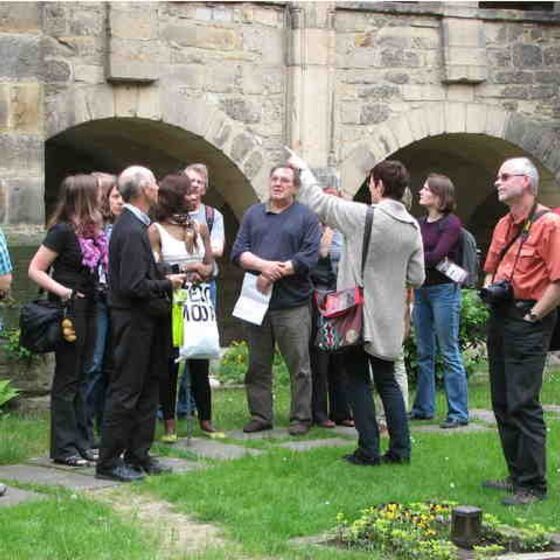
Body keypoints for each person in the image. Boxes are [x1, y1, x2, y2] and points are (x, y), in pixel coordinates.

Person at [288, 153, 425, 465]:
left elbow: (319, 202)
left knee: (358, 379)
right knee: (387, 381)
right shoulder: (411, 226)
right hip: (389, 315)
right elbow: (417, 277)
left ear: (378, 185)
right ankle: (400, 450)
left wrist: (302, 168)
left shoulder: (363, 216)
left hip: (357, 313)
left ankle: (368, 450)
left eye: (372, 183)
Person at [96, 166, 185, 482]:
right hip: (133, 321)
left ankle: (138, 454)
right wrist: (168, 282)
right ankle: (109, 462)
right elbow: (132, 285)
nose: (158, 187)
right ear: (145, 189)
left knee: (149, 387)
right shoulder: (131, 229)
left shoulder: (137, 224)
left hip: (147, 321)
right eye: (154, 183)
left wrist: (161, 274)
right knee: (126, 390)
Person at [481, 157, 560, 506]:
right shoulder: (503, 224)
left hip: (528, 318)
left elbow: (558, 280)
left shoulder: (550, 225)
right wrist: (490, 287)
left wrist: (534, 316)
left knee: (523, 402)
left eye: (504, 176)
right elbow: (490, 267)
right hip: (501, 316)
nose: (497, 182)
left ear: (526, 182)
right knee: (501, 400)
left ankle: (533, 486)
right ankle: (516, 475)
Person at [231, 165, 321, 436]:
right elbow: (238, 252)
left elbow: (308, 257)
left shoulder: (306, 217)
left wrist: (273, 274)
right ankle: (260, 416)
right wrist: (266, 268)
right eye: (274, 179)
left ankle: (301, 417)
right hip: (256, 301)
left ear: (295, 187)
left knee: (299, 365)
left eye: (285, 180)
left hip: (293, 304)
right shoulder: (253, 214)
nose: (278, 184)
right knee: (257, 365)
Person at [28, 175, 105, 467]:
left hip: (91, 306)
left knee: (85, 375)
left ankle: (83, 442)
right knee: (68, 378)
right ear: (85, 196)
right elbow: (35, 269)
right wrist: (64, 292)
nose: (102, 196)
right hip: (69, 311)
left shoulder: (91, 232)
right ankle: (63, 447)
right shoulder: (61, 231)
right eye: (98, 192)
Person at [148, 173, 215, 441]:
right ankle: (169, 422)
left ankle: (206, 419)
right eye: (188, 192)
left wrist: (202, 269)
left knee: (200, 360)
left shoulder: (200, 227)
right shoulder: (155, 230)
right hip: (172, 305)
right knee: (170, 363)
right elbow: (154, 270)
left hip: (198, 303)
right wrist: (183, 271)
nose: (194, 195)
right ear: (175, 197)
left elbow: (211, 266)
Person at [409, 174, 469, 428]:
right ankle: (424, 408)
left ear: (439, 196)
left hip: (444, 290)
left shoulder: (451, 223)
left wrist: (416, 256)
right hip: (422, 289)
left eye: (426, 189)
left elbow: (436, 257)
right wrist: (421, 256)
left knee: (449, 351)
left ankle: (459, 412)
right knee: (424, 351)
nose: (420, 192)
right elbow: (424, 255)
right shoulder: (419, 223)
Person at [176, 163, 225, 419]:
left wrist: (189, 253)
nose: (194, 185)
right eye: (189, 180)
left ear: (205, 188)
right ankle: (172, 405)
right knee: (176, 343)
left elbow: (217, 249)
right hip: (178, 285)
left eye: (199, 182)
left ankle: (191, 404)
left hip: (205, 287)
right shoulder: (170, 213)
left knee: (200, 344)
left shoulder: (213, 216)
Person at [82, 173, 123, 447]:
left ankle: (105, 425)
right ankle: (86, 428)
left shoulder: (119, 227)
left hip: (115, 300)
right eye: (113, 195)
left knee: (110, 364)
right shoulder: (91, 228)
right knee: (94, 364)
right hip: (97, 300)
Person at [309, 188, 353, 428]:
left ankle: (342, 411)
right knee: (320, 357)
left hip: (343, 299)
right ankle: (319, 412)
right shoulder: (313, 229)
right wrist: (328, 229)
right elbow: (320, 255)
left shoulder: (347, 230)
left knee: (342, 356)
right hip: (321, 299)